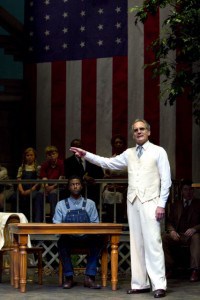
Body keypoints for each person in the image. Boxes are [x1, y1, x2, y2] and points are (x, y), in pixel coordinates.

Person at [70, 118, 171, 298]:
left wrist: (161, 204)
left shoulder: (158, 151)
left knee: (153, 243)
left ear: (149, 132)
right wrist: (86, 155)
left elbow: (166, 180)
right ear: (133, 134)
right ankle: (140, 283)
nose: (138, 132)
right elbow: (107, 163)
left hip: (151, 201)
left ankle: (159, 284)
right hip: (133, 202)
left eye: (142, 129)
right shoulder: (129, 153)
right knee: (136, 243)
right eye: (135, 130)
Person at [53, 175, 102, 290]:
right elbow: (56, 224)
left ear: (82, 186)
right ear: (68, 187)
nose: (75, 186)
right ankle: (69, 278)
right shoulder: (61, 204)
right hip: (69, 239)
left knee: (97, 241)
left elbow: (96, 223)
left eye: (77, 184)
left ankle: (89, 277)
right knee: (61, 242)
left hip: (86, 239)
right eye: (72, 184)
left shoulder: (90, 203)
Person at [162, 179, 200, 282]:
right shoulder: (176, 205)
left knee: (196, 238)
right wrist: (172, 231)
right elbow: (169, 222)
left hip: (192, 235)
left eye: (191, 190)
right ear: (182, 191)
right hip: (178, 234)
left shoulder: (198, 204)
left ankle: (195, 270)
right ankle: (170, 267)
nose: (188, 192)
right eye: (186, 190)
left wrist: (194, 229)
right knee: (164, 238)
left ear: (193, 191)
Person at [64, 139, 104, 205]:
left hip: (92, 191)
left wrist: (93, 180)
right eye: (75, 147)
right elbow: (69, 175)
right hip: (76, 191)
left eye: (79, 146)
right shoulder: (68, 161)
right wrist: (83, 177)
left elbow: (100, 173)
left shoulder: (91, 159)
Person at [35, 145, 64, 222]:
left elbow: (61, 178)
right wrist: (46, 187)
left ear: (57, 154)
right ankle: (38, 220)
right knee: (39, 194)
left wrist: (52, 187)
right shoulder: (44, 165)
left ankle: (54, 220)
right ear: (46, 156)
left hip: (58, 186)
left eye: (53, 154)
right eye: (49, 154)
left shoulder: (61, 164)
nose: (51, 156)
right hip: (46, 186)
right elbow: (44, 177)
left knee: (53, 194)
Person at [102, 134, 128, 222]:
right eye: (116, 142)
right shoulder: (111, 160)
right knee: (107, 194)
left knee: (120, 195)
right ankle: (111, 220)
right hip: (113, 187)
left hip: (126, 187)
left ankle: (122, 220)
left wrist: (123, 186)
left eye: (120, 142)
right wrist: (109, 186)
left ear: (124, 144)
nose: (118, 144)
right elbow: (106, 176)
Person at [16, 147, 40, 220]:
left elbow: (38, 182)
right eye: (27, 155)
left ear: (34, 156)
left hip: (33, 189)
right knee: (15, 197)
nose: (29, 157)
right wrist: (22, 191)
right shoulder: (21, 168)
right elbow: (19, 181)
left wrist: (30, 190)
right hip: (22, 189)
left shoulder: (37, 168)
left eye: (31, 155)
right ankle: (18, 219)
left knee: (33, 197)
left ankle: (32, 219)